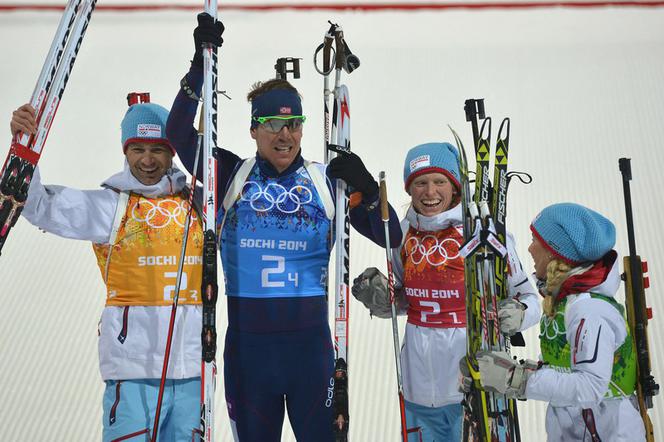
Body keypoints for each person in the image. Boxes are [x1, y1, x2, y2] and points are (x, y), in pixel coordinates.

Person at [165, 13, 402, 442]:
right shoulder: (229, 176)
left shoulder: (327, 182)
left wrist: (367, 190)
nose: (285, 135)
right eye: (272, 124)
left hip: (310, 354)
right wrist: (199, 69)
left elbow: (392, 238)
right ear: (254, 129)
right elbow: (178, 132)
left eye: (294, 124)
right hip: (249, 355)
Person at [10, 99, 204, 441]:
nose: (147, 160)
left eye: (158, 149)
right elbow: (37, 204)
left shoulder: (200, 204)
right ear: (125, 152)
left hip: (191, 371)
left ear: (172, 152)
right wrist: (23, 145)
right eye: (138, 149)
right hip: (133, 372)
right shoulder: (111, 205)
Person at [351, 142, 541, 442]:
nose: (430, 192)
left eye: (439, 181)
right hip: (416, 383)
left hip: (471, 381)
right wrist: (384, 299)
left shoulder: (484, 233)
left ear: (455, 186)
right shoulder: (403, 234)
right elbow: (405, 297)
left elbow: (531, 299)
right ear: (409, 189)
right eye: (420, 183)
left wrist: (518, 315)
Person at [473, 202, 645, 441]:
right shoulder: (566, 303)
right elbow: (563, 368)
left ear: (555, 252)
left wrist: (517, 379)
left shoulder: (589, 310)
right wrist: (514, 371)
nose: (530, 249)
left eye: (536, 241)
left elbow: (590, 387)